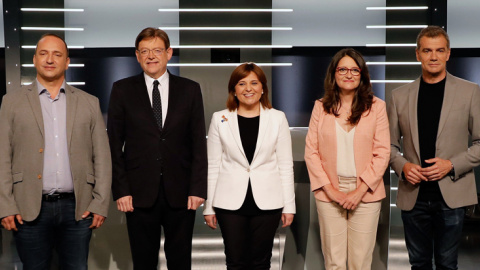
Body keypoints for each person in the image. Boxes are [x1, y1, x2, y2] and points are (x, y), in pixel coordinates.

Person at [0, 33, 111, 269]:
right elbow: (2, 156)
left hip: (78, 209)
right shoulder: (12, 102)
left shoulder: (89, 102)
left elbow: (102, 156)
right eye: (44, 53)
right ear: (34, 59)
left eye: (57, 54)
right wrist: (5, 205)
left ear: (67, 61)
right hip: (28, 207)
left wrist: (100, 202)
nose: (50, 59)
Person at [107, 27, 207, 270]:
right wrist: (121, 190)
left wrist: (197, 189)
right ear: (137, 56)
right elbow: (113, 144)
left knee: (180, 262)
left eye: (157, 50)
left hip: (181, 194)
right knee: (143, 262)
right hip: (138, 194)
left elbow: (198, 144)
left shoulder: (190, 89)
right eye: (144, 51)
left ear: (169, 53)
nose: (151, 56)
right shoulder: (122, 90)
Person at [389, 26, 480, 270]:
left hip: (452, 194)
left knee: (447, 264)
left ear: (448, 54)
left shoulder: (471, 92)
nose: (433, 56)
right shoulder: (398, 96)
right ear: (417, 54)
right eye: (427, 50)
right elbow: (388, 145)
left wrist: (451, 165)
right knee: (418, 264)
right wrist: (403, 165)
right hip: (414, 194)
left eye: (439, 50)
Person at [203, 63, 295, 270]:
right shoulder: (220, 119)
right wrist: (209, 206)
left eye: (254, 82)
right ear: (233, 90)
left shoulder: (277, 118)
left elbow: (285, 165)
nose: (248, 88)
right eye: (242, 83)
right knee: (235, 261)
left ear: (263, 88)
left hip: (268, 202)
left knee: (261, 262)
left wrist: (289, 205)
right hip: (229, 204)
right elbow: (213, 165)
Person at [304, 48, 390, 270]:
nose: (349, 74)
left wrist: (358, 191)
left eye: (355, 69)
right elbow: (311, 152)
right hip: (329, 192)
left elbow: (382, 153)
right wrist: (332, 191)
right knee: (333, 262)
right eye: (343, 69)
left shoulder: (377, 107)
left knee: (360, 263)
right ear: (334, 73)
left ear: (362, 75)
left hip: (366, 193)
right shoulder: (320, 107)